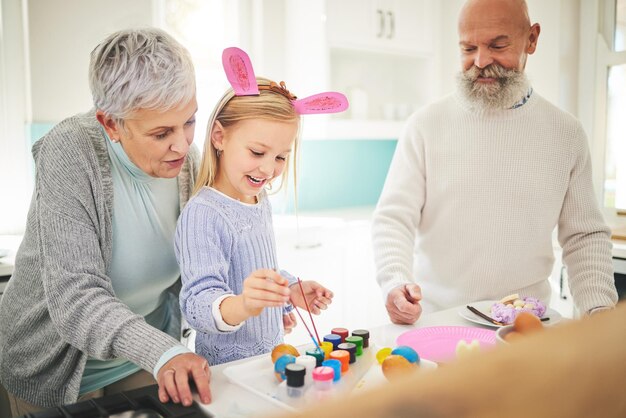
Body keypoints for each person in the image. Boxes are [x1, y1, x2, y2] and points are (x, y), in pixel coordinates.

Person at [0, 28, 211, 415]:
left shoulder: (187, 160)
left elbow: (205, 260)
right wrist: (164, 352)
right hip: (53, 370)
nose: (181, 144)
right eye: (161, 132)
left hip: (143, 356)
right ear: (111, 124)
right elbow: (77, 295)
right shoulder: (70, 151)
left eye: (189, 121)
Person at [372, 0, 618, 324]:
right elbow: (393, 219)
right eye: (468, 48)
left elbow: (584, 237)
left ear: (531, 39)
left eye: (497, 45)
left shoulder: (566, 133)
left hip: (527, 326)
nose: (481, 61)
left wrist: (599, 312)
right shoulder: (425, 125)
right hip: (437, 322)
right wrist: (394, 281)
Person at [175, 47, 347, 365]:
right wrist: (246, 305)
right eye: (257, 152)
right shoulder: (202, 215)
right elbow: (198, 305)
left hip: (267, 361)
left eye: (281, 157)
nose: (268, 170)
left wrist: (288, 292)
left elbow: (255, 271)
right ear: (218, 137)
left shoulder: (257, 199)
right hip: (228, 370)